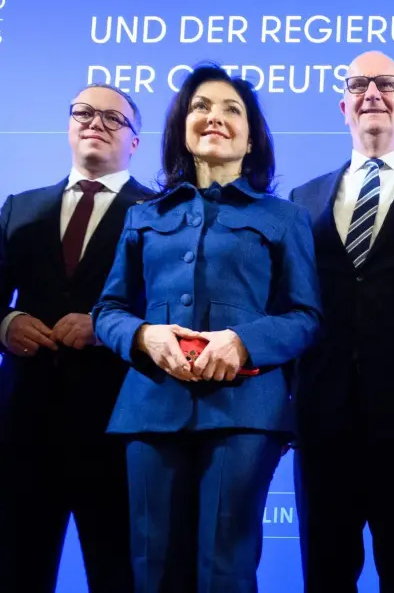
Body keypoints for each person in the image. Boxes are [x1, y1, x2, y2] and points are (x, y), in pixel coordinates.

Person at [92, 63, 322, 592]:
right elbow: (108, 311)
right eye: (200, 107)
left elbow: (306, 317)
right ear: (182, 128)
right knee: (151, 569)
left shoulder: (284, 217)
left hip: (245, 412)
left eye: (230, 109)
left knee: (225, 569)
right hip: (149, 409)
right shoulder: (143, 216)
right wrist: (144, 336)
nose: (214, 117)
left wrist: (243, 342)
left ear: (251, 137)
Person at [290, 50, 394, 592]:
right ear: (343, 107)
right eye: (359, 85)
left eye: (386, 84)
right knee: (325, 575)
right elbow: (290, 305)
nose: (372, 94)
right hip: (320, 417)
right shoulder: (303, 198)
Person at [0, 83, 153, 592]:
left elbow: (174, 308)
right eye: (84, 113)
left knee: (119, 576)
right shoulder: (20, 208)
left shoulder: (161, 213)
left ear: (135, 141)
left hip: (117, 429)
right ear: (69, 126)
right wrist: (6, 324)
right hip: (23, 426)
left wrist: (106, 327)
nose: (95, 123)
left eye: (113, 118)